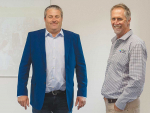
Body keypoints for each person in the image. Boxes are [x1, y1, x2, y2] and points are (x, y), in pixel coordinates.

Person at [17, 5, 87, 113]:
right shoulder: (33, 37)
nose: (54, 19)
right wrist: (22, 92)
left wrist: (82, 92)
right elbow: (24, 66)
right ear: (45, 19)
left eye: (57, 16)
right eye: (50, 16)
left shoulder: (73, 38)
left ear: (61, 18)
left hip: (64, 98)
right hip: (40, 98)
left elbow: (81, 67)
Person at [101, 3, 147, 113]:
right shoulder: (116, 42)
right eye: (113, 19)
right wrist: (107, 97)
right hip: (113, 105)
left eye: (119, 19)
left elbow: (137, 81)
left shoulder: (135, 44)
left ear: (128, 20)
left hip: (124, 107)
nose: (115, 22)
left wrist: (119, 104)